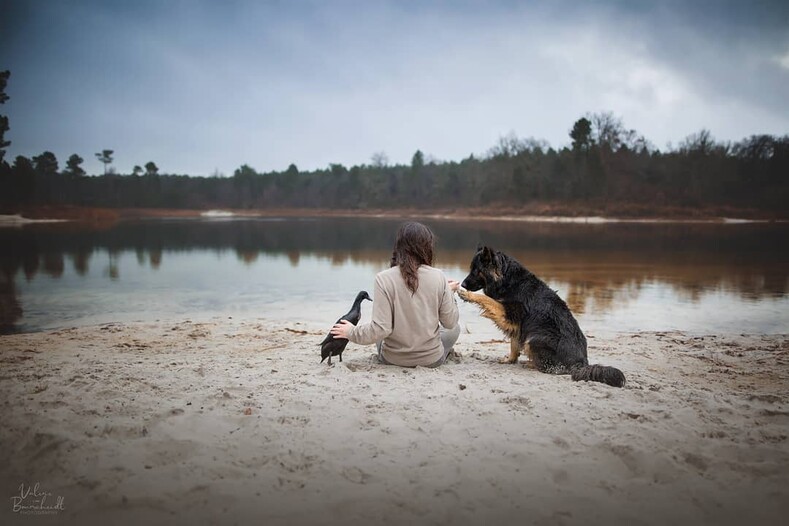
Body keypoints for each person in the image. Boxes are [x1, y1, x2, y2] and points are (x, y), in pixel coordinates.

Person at [330, 222, 460, 367]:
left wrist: (351, 332)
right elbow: (449, 322)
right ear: (427, 247)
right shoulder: (438, 276)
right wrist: (449, 293)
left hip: (393, 360)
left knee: (382, 327)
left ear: (399, 247)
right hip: (431, 360)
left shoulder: (383, 278)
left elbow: (380, 330)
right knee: (455, 328)